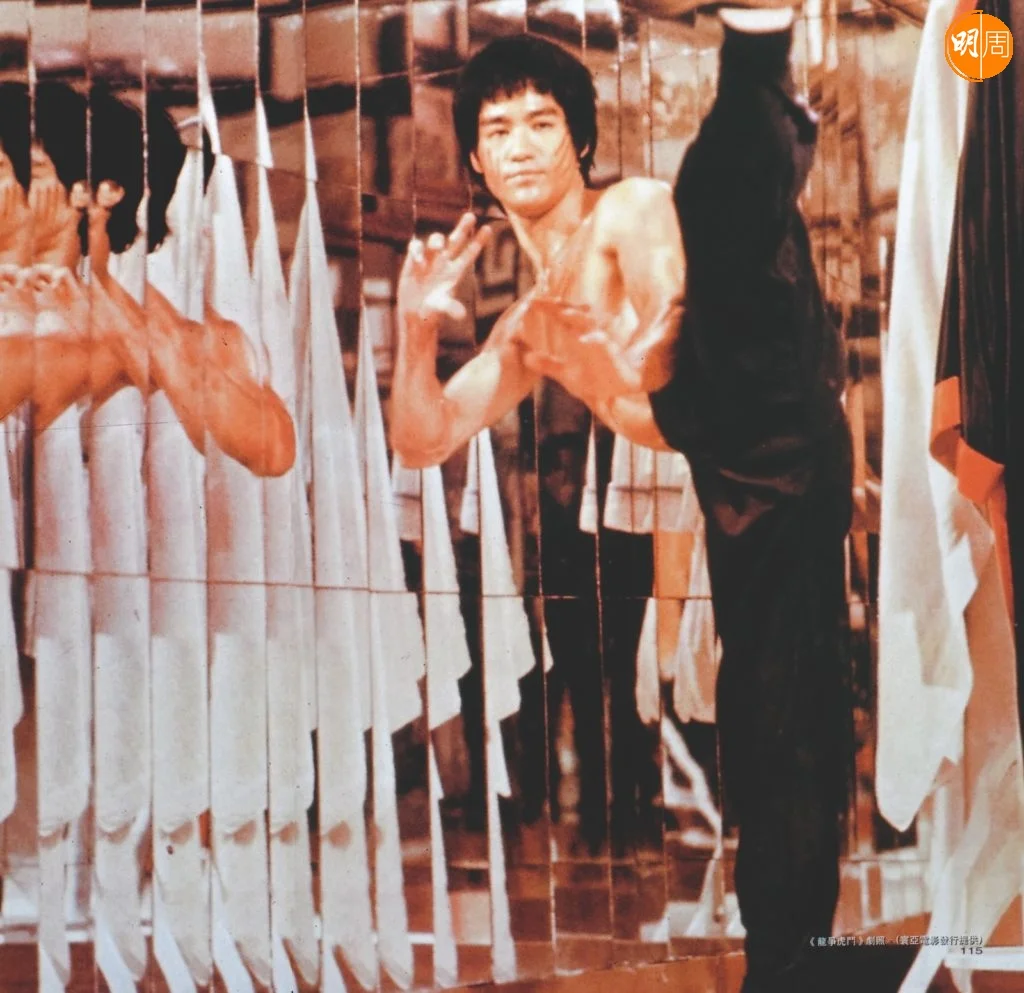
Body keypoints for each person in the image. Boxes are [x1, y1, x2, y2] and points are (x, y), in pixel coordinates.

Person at [390, 21, 853, 993]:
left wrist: (613, 371)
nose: (520, 146)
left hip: (772, 450)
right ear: (474, 159)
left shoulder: (631, 210)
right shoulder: (530, 319)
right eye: (498, 130)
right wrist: (414, 330)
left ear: (581, 139)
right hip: (723, 474)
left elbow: (684, 355)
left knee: (780, 729)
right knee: (762, 734)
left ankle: (797, 968)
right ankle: (794, 963)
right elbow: (425, 438)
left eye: (541, 123)